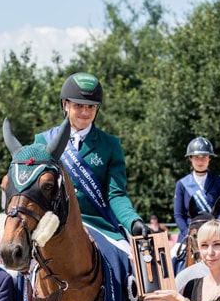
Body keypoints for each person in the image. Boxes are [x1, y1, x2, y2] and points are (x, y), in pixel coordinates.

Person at [35, 72, 148, 243]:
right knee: (23, 267)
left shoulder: (110, 145)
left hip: (99, 225)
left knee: (129, 263)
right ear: (65, 104)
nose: (85, 112)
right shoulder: (43, 141)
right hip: (53, 224)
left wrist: (133, 221)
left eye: (91, 107)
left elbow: (115, 194)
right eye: (79, 105)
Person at [173, 137, 220, 244]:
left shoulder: (219, 182)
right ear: (190, 158)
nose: (200, 161)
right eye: (196, 157)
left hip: (214, 232)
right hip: (190, 233)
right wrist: (188, 233)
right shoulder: (181, 184)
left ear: (210, 158)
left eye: (204, 157)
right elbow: (178, 215)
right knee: (172, 259)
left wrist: (216, 228)